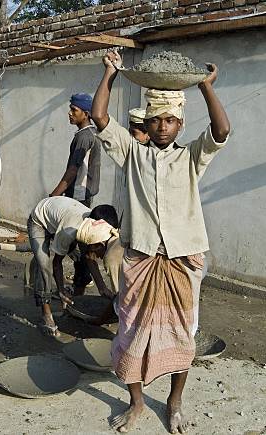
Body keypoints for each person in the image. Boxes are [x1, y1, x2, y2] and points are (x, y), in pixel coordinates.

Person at [91, 51, 230, 434]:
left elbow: (221, 131)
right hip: (141, 257)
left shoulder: (190, 156)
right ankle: (136, 403)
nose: (163, 126)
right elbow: (100, 118)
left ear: (180, 124)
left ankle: (174, 402)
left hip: (183, 260)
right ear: (146, 125)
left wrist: (204, 85)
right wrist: (109, 74)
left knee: (182, 333)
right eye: (155, 120)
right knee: (130, 329)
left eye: (170, 120)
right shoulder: (132, 154)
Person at [27, 196, 117, 337]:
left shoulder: (97, 227)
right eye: (100, 251)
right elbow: (57, 262)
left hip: (64, 218)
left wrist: (102, 287)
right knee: (44, 265)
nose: (101, 256)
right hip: (40, 220)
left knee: (82, 261)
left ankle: (74, 307)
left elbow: (89, 257)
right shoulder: (68, 232)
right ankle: (46, 314)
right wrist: (61, 290)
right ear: (94, 243)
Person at [50, 93, 102, 208]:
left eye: (74, 110)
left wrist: (54, 196)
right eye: (70, 109)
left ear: (86, 114)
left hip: (78, 196)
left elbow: (73, 170)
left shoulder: (84, 137)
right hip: (83, 195)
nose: (70, 113)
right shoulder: (91, 133)